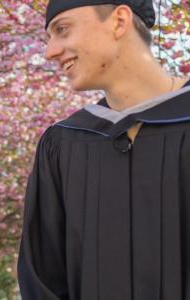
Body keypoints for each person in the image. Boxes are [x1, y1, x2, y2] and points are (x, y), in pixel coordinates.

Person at [18, 0, 190, 298]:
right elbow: (43, 280)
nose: (50, 52)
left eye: (62, 30)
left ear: (119, 21)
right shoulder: (63, 145)